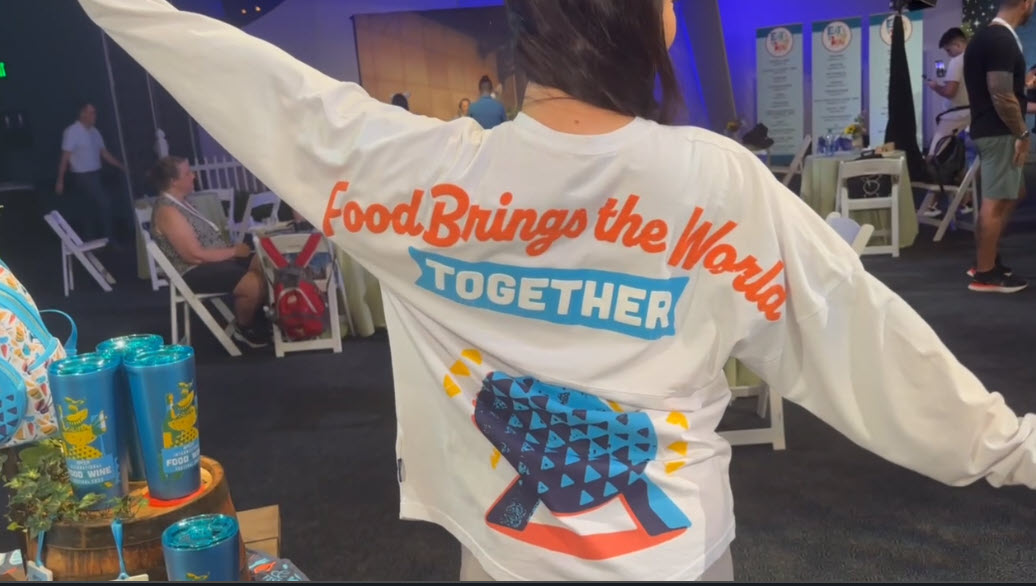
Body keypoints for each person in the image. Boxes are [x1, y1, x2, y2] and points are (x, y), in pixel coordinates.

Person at [81, 0, 1036, 581]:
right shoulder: (717, 182)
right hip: (674, 555)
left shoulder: (416, 173)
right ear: (654, 23)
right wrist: (1011, 450)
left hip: (506, 557)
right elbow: (861, 339)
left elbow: (264, 90)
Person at [147, 156, 269, 348]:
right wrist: (233, 252)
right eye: (188, 173)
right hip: (192, 271)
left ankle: (271, 318)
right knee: (253, 283)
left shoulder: (183, 203)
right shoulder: (167, 211)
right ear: (173, 181)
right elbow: (193, 256)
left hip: (213, 261)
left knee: (266, 263)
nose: (193, 176)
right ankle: (245, 327)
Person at [963, 0, 1034, 293]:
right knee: (996, 202)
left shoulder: (987, 36)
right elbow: (1001, 94)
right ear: (1026, 3)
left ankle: (987, 256)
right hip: (1000, 133)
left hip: (991, 130)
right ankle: (985, 273)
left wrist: (1022, 86)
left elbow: (1002, 90)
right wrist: (1022, 133)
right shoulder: (1001, 40)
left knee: (1014, 193)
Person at [55, 101, 127, 244]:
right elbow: (65, 157)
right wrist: (60, 180)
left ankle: (92, 241)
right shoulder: (72, 132)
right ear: (83, 114)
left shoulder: (95, 132)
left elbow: (104, 153)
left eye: (95, 112)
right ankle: (109, 239)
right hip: (82, 176)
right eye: (91, 112)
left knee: (89, 208)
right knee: (104, 203)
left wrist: (121, 166)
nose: (95, 115)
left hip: (95, 174)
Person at [922, 27, 972, 218]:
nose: (948, 54)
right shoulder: (977, 60)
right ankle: (966, 200)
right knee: (960, 160)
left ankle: (931, 204)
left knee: (934, 157)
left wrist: (935, 87)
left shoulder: (957, 62)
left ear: (957, 44)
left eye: (949, 50)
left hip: (954, 117)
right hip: (971, 116)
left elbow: (950, 92)